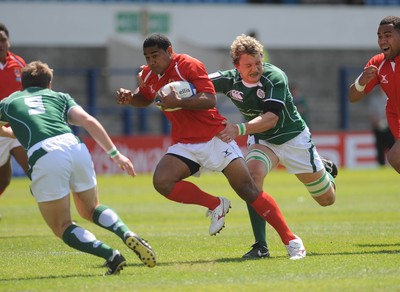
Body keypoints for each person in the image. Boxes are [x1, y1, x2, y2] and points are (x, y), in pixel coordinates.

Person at [116, 33, 306, 260]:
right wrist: (130, 97)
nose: (151, 61)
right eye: (147, 57)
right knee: (162, 182)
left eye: (155, 55)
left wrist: (178, 102)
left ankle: (291, 240)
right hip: (185, 143)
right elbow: (146, 97)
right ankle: (216, 204)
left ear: (169, 51)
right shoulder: (147, 74)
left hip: (215, 137)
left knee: (248, 190)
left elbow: (209, 99)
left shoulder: (189, 65)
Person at [0, 61, 156, 275]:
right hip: (75, 146)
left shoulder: (9, 101)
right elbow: (89, 121)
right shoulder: (60, 97)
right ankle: (126, 232)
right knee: (91, 209)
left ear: (22, 84)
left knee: (62, 225)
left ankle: (111, 255)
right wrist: (115, 154)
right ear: (49, 84)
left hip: (45, 154)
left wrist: (13, 132)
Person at [210, 34, 338, 259]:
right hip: (263, 140)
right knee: (252, 178)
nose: (255, 68)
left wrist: (237, 129)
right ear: (236, 66)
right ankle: (261, 246)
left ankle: (324, 169)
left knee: (327, 200)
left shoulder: (274, 77)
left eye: (258, 62)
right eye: (248, 65)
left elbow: (271, 119)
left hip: (294, 138)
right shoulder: (228, 80)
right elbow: (197, 82)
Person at [349, 16, 400, 173]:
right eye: (379, 36)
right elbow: (353, 96)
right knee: (395, 158)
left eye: (388, 35)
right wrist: (362, 81)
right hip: (395, 118)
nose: (382, 41)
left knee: (394, 156)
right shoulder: (378, 63)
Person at [0, 23, 29, 216]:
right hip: (0, 131)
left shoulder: (19, 64)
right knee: (4, 180)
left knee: (35, 170)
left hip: (17, 128)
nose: (0, 44)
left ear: (8, 42)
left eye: (2, 39)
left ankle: (61, 216)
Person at [368, 88, 395, 166]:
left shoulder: (390, 98)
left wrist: (385, 120)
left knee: (391, 146)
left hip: (389, 127)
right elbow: (372, 113)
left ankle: (392, 164)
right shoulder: (374, 99)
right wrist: (377, 122)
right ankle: (381, 165)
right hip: (377, 127)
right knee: (379, 147)